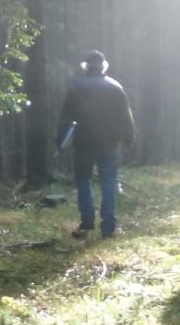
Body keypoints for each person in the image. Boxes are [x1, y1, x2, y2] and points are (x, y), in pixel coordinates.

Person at [56, 50, 135, 238]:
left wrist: (60, 141)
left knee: (83, 180)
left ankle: (87, 222)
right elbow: (125, 115)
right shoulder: (115, 87)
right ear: (103, 66)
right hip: (109, 142)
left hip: (83, 142)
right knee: (108, 181)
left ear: (86, 66)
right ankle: (108, 227)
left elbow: (65, 117)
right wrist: (128, 137)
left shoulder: (76, 87)